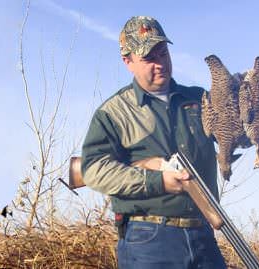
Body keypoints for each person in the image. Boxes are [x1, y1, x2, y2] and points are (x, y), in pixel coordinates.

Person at [81, 16, 227, 268]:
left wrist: (252, 121)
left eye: (162, 52)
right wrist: (158, 180)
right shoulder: (114, 112)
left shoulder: (200, 99)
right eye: (149, 58)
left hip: (203, 234)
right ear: (127, 61)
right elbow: (93, 170)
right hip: (148, 238)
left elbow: (234, 137)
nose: (160, 63)